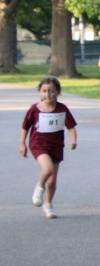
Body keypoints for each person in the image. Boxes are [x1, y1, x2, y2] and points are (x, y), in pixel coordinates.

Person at [19, 76, 77, 219]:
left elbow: (71, 126)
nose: (48, 94)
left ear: (57, 92)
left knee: (52, 180)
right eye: (44, 91)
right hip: (39, 144)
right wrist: (22, 143)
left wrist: (73, 140)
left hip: (56, 146)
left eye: (51, 91)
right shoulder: (34, 109)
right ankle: (39, 188)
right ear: (40, 92)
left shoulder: (62, 109)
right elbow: (25, 127)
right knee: (48, 169)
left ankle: (48, 205)